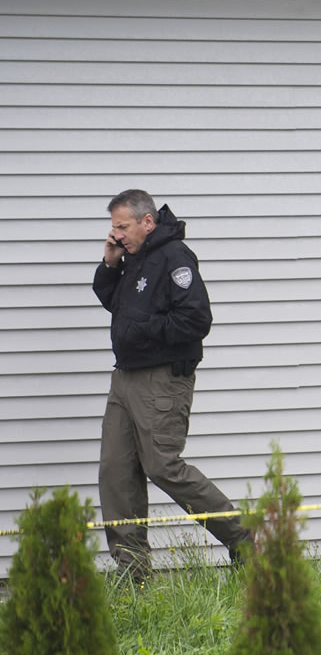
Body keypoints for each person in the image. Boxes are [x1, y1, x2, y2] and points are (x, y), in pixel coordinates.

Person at [93, 189, 251, 580]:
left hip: (161, 379)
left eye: (123, 226)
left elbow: (196, 320)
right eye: (114, 227)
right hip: (125, 379)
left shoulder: (174, 257)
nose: (117, 234)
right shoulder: (132, 258)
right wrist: (110, 264)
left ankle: (245, 539)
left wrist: (140, 332)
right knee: (117, 472)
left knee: (163, 466)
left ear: (148, 221)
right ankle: (133, 575)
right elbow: (115, 303)